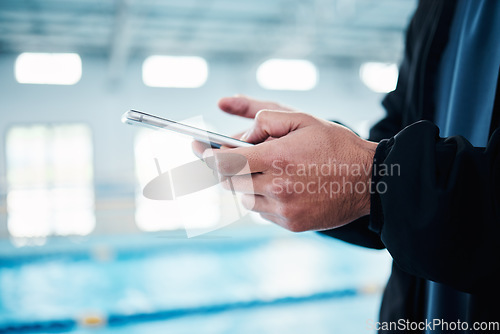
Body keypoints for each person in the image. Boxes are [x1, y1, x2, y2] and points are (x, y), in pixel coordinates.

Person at [194, 0, 500, 332]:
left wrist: (367, 178)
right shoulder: (434, 9)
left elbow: (382, 172)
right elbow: (392, 145)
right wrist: (324, 164)